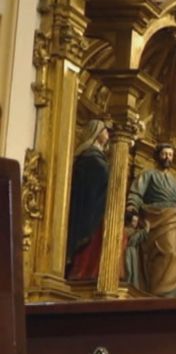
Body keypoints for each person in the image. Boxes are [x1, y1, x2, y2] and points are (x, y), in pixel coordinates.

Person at [126, 143, 176, 297]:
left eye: (170, 155)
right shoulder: (148, 174)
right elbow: (136, 194)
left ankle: (174, 294)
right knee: (167, 252)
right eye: (165, 154)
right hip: (156, 219)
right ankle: (158, 293)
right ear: (158, 155)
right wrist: (133, 209)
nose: (167, 158)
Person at [66, 119, 112, 280]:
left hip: (98, 204)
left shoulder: (98, 156)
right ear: (96, 132)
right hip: (89, 206)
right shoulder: (89, 156)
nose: (107, 134)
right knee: (89, 241)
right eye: (104, 130)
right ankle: (82, 272)